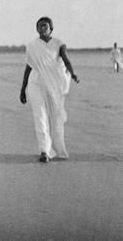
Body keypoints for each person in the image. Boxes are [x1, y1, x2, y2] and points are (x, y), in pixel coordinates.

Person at [20, 17, 79, 163]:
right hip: (36, 84)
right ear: (36, 29)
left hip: (53, 85)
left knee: (55, 118)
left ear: (51, 28)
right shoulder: (32, 45)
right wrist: (23, 88)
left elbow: (66, 59)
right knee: (40, 117)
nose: (42, 28)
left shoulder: (59, 43)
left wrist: (72, 73)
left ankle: (56, 148)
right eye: (39, 26)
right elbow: (29, 67)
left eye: (45, 26)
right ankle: (44, 151)